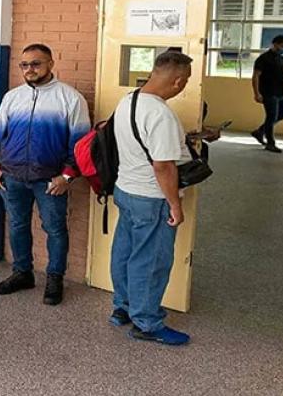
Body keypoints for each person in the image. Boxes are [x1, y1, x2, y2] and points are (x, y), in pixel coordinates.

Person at [0, 43, 90, 306]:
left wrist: (67, 177)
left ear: (51, 64)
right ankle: (22, 273)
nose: (29, 69)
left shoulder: (70, 98)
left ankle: (55, 278)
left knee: (55, 229)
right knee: (18, 225)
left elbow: (80, 144)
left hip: (50, 180)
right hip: (12, 176)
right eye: (24, 65)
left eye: (36, 63)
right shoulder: (13, 97)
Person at [108, 50, 195, 346]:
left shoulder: (128, 99)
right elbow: (163, 165)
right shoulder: (161, 113)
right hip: (152, 197)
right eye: (186, 82)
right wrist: (174, 204)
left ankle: (122, 306)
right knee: (151, 259)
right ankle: (146, 321)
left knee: (125, 249)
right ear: (178, 80)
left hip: (126, 189)